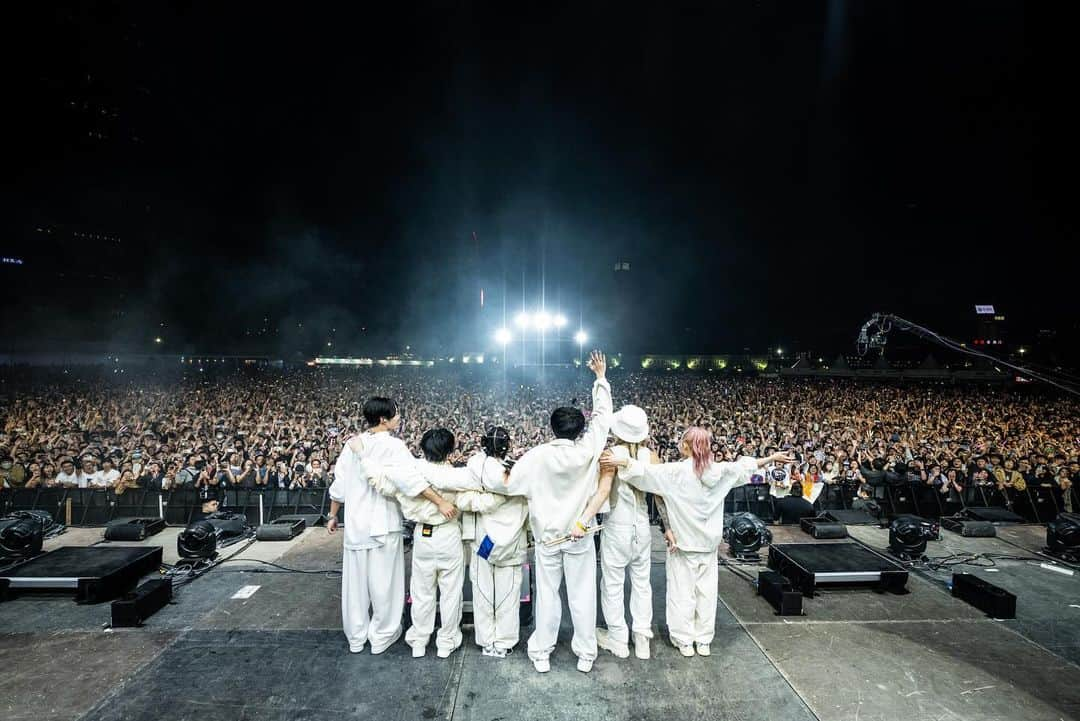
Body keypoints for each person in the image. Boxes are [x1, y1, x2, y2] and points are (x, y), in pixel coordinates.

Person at [602, 428, 792, 657]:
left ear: (685, 446)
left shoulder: (676, 472)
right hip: (708, 546)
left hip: (683, 546)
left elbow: (644, 473)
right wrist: (771, 458)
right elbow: (745, 467)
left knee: (682, 595)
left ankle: (684, 641)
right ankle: (703, 641)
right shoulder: (720, 471)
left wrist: (622, 460)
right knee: (706, 594)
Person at [502, 351, 614, 674]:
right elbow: (603, 418)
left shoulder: (537, 456)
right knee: (582, 595)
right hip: (579, 535)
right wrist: (600, 379)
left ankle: (541, 652)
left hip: (548, 539)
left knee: (548, 596)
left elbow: (510, 486)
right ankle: (585, 653)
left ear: (552, 428)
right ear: (580, 429)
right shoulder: (588, 449)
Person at [327, 396, 457, 655]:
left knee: (355, 586)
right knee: (384, 583)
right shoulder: (395, 447)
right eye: (396, 414)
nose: (400, 418)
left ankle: (356, 638)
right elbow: (414, 481)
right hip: (384, 524)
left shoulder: (352, 445)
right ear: (383, 420)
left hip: (355, 525)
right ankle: (381, 636)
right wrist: (440, 501)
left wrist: (332, 516)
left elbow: (339, 487)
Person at [368, 428, 496, 659]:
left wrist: (363, 457)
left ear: (422, 449)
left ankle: (419, 639)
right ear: (450, 451)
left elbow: (381, 483)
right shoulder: (459, 477)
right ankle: (446, 641)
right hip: (448, 535)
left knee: (422, 592)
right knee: (451, 592)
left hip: (423, 536)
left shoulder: (410, 472)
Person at [597, 404, 656, 661]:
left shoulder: (610, 454)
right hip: (642, 526)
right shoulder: (651, 457)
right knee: (642, 583)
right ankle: (642, 638)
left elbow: (602, 491)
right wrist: (670, 528)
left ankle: (618, 638)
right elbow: (662, 496)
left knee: (612, 583)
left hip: (616, 524)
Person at [465, 426, 529, 658]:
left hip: (485, 541)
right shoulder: (519, 474)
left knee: (482, 592)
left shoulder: (475, 466)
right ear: (507, 446)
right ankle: (504, 641)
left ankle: (485, 640)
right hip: (512, 543)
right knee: (508, 595)